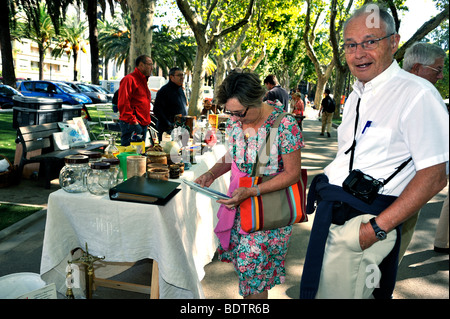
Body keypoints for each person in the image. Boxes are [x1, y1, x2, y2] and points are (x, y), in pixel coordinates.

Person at [300, 3, 448, 299]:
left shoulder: (417, 94)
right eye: (351, 44)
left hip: (364, 224)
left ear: (394, 43)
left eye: (370, 41)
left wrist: (375, 230)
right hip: (335, 218)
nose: (358, 53)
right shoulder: (358, 93)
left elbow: (435, 175)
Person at [195, 70, 304, 299]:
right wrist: (211, 174)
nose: (235, 118)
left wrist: (253, 191)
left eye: (240, 112)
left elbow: (293, 174)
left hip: (267, 214)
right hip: (240, 208)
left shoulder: (285, 124)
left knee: (253, 278)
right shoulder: (236, 122)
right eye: (231, 112)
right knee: (247, 274)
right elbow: (234, 154)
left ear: (257, 99)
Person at [397, 42, 447, 260]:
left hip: (389, 191)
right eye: (438, 69)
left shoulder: (385, 88)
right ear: (417, 68)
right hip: (404, 191)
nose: (441, 76)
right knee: (391, 250)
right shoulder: (425, 97)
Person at [117, 55, 153, 146]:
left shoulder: (143, 80)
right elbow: (123, 103)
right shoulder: (129, 79)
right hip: (132, 124)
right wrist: (133, 121)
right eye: (150, 64)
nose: (152, 68)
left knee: (139, 155)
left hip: (142, 124)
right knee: (130, 155)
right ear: (141, 65)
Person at [153, 67, 187, 141]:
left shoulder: (180, 89)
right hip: (168, 130)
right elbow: (157, 110)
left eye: (182, 75)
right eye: (179, 75)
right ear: (171, 77)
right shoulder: (164, 91)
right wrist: (168, 124)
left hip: (181, 128)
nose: (182, 78)